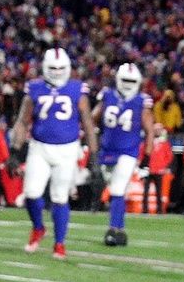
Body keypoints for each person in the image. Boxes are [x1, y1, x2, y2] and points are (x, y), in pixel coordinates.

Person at [13, 47, 94, 258]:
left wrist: (93, 153)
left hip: (68, 148)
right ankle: (38, 227)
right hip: (39, 147)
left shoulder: (77, 89)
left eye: (61, 68)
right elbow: (22, 121)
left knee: (60, 196)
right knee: (31, 192)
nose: (57, 72)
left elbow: (87, 122)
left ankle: (59, 243)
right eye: (53, 68)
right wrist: (15, 150)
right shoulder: (35, 88)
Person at [95, 63, 152, 246]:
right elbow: (92, 118)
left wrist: (147, 157)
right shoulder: (107, 96)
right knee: (115, 190)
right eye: (125, 80)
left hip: (128, 151)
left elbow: (149, 130)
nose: (128, 84)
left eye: (131, 81)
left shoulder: (141, 101)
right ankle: (120, 231)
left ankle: (113, 229)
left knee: (118, 189)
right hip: (107, 151)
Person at [142, 124, 173, 215]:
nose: (157, 132)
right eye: (155, 130)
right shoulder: (148, 142)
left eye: (159, 130)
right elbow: (142, 153)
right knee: (145, 191)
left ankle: (159, 209)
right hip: (148, 169)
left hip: (159, 170)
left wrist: (163, 166)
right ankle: (145, 209)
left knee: (159, 191)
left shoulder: (164, 143)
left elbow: (169, 157)